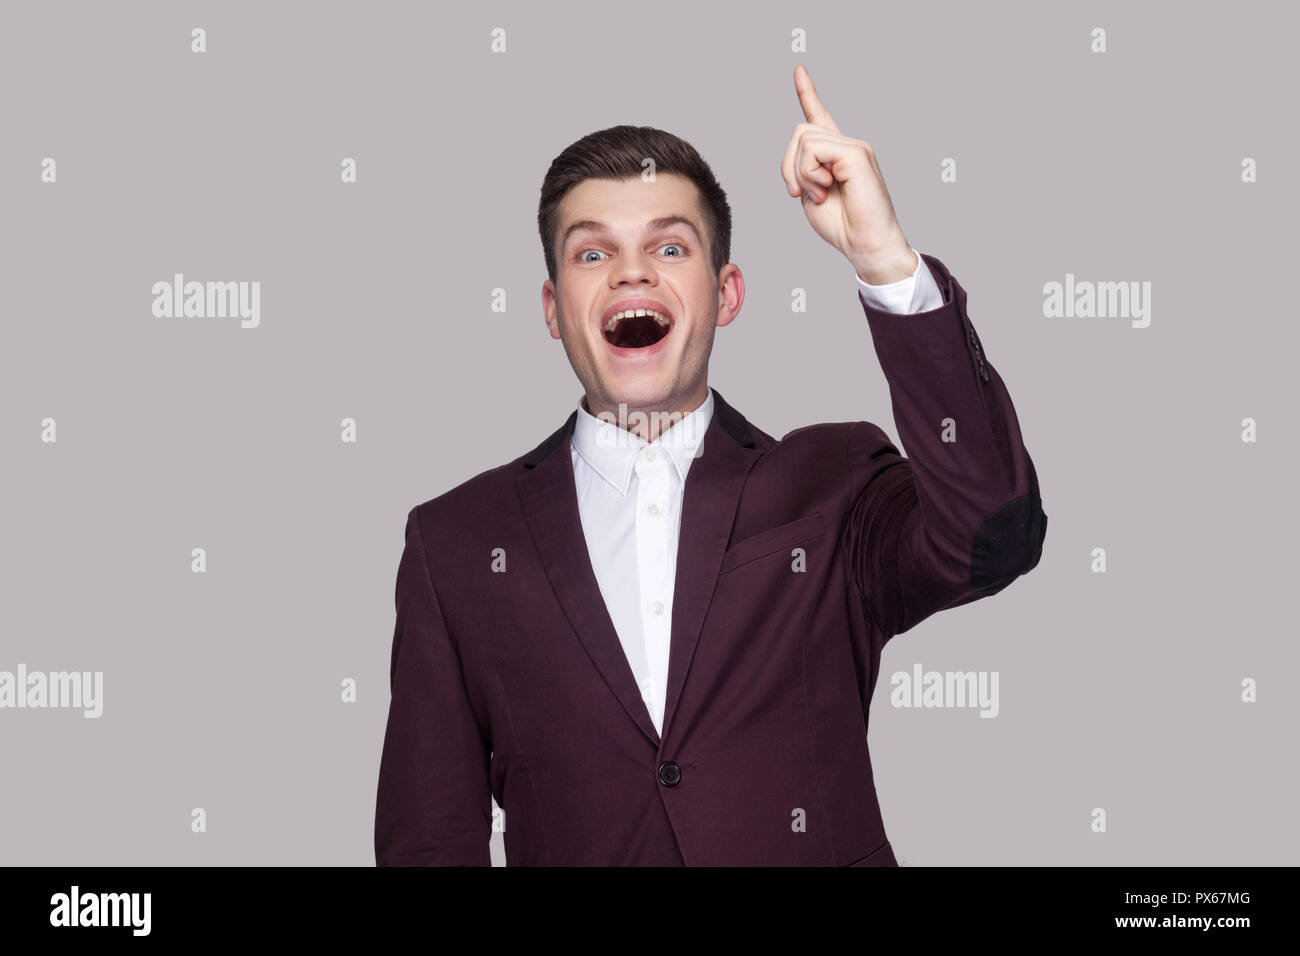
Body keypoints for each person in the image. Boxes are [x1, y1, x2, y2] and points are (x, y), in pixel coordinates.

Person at [374, 65, 1046, 866]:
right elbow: (429, 838)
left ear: (726, 294)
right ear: (554, 311)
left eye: (669, 246)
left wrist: (883, 259)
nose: (632, 272)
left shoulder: (834, 483)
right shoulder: (454, 542)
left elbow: (994, 534)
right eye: (593, 254)